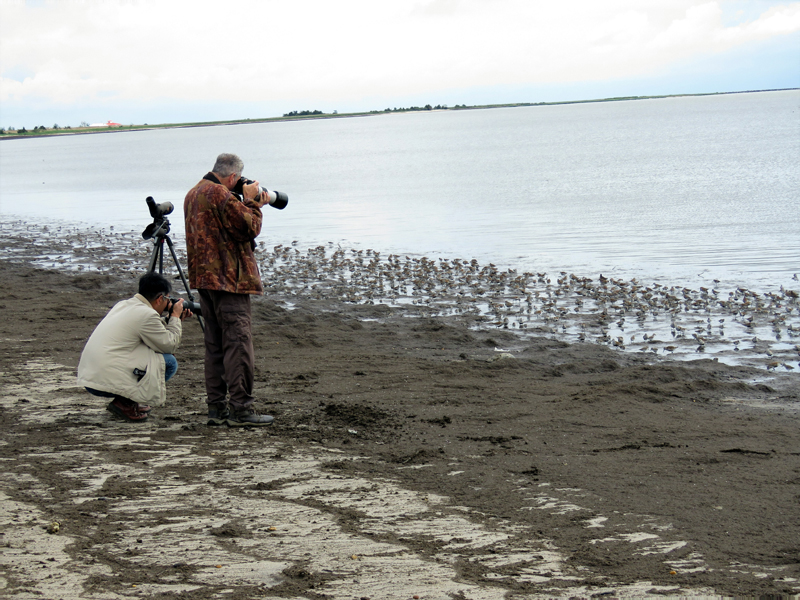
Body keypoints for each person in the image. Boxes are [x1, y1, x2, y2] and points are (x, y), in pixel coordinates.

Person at [183, 153, 274, 426]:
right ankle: (241, 409)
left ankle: (216, 408)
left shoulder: (193, 193)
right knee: (238, 344)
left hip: (204, 280)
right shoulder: (219, 194)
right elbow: (248, 227)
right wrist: (252, 201)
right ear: (233, 177)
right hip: (229, 282)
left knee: (214, 346)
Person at [77, 272, 191, 422]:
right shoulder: (147, 315)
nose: (168, 303)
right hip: (103, 382)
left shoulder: (124, 304)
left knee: (150, 353)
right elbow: (169, 345)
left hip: (91, 377)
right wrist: (175, 318)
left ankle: (128, 400)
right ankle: (125, 403)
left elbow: (147, 331)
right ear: (159, 299)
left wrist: (170, 320)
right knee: (169, 362)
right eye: (167, 299)